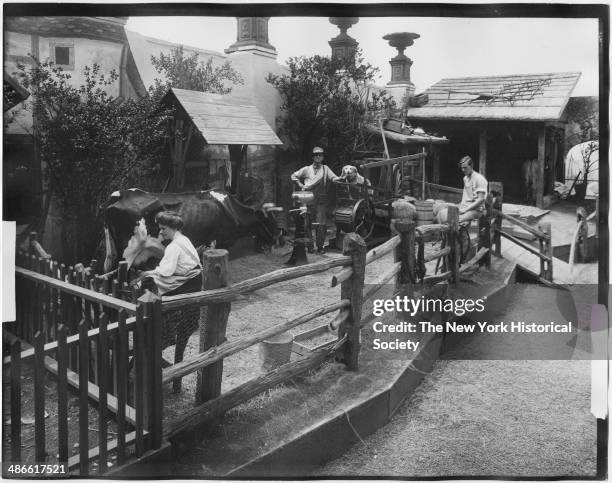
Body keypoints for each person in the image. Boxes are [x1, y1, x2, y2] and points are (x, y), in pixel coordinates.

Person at [139, 211, 202, 296]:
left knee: (149, 281)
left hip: (188, 283)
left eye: (163, 228)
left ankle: (150, 306)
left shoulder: (173, 246)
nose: (160, 232)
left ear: (175, 228)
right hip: (196, 279)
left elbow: (166, 272)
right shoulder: (183, 239)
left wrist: (148, 273)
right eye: (160, 228)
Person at [290, 146, 340, 254]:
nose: (318, 156)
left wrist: (341, 178)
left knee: (321, 224)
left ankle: (320, 247)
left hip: (321, 200)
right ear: (313, 157)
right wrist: (300, 184)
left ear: (322, 157)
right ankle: (310, 247)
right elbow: (294, 176)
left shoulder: (326, 169)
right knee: (307, 224)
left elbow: (334, 178)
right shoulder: (307, 169)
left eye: (320, 155)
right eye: (316, 155)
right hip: (308, 199)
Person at [435, 155, 488, 224]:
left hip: (476, 210)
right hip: (465, 207)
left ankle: (458, 233)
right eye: (462, 168)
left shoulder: (479, 179)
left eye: (465, 168)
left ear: (471, 166)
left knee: (453, 220)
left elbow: (481, 199)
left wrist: (465, 209)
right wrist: (460, 206)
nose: (463, 170)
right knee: (442, 213)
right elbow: (466, 197)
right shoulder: (465, 178)